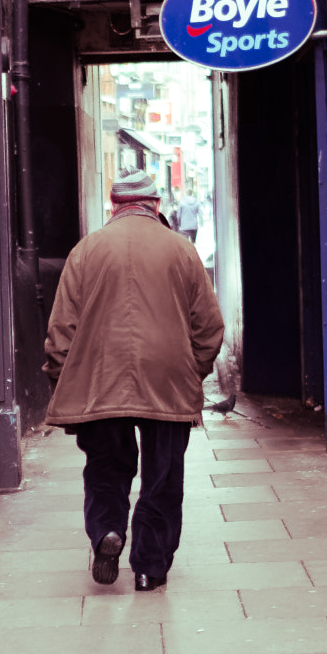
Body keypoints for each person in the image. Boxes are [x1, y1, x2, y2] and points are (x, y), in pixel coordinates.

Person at [42, 170, 226, 590]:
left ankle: (108, 530)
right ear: (155, 204)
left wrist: (65, 381)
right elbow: (209, 329)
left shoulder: (85, 251)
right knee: (162, 475)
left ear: (114, 205)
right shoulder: (182, 250)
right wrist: (190, 372)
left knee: (106, 465)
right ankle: (149, 567)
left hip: (100, 377)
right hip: (168, 376)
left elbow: (60, 333)